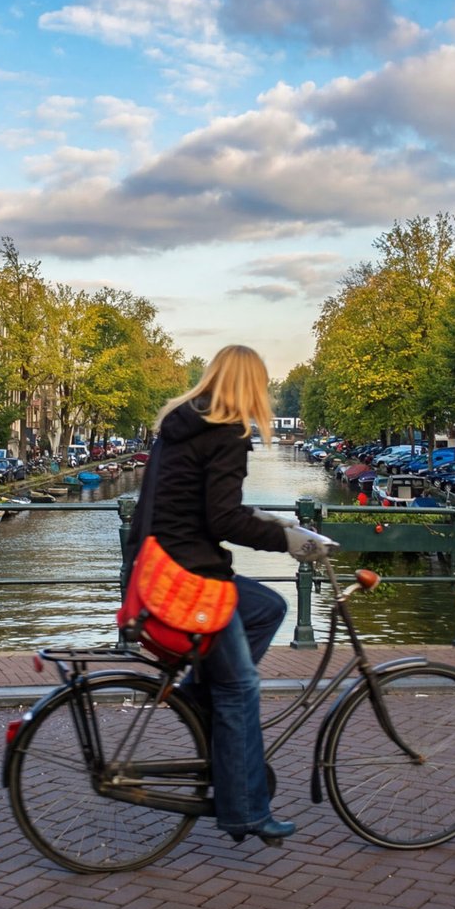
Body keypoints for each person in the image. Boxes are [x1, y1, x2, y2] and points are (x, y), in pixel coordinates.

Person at [128, 345, 335, 846]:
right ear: (251, 387)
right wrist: (287, 540)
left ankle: (200, 698)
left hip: (156, 565)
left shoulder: (181, 424)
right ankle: (245, 810)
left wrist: (273, 522)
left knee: (270, 606)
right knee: (241, 689)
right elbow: (222, 519)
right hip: (191, 578)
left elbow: (197, 508)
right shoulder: (227, 433)